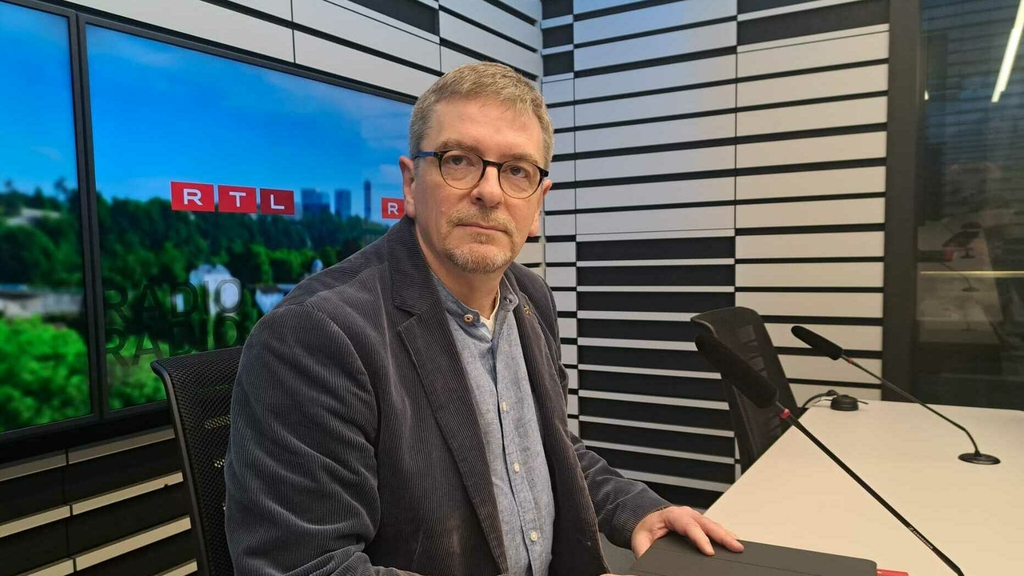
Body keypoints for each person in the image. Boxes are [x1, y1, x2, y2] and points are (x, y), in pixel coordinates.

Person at [224, 62, 743, 576]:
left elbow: (546, 450)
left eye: (517, 171)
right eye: (459, 160)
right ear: (410, 184)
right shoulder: (315, 335)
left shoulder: (530, 297)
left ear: (537, 205)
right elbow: (310, 567)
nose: (490, 192)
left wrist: (638, 510)